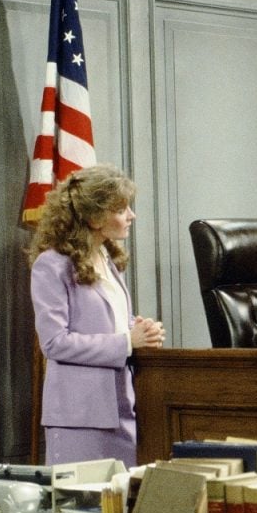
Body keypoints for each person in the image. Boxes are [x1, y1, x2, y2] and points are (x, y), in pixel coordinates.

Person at [29, 163, 166, 467]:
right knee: (83, 509)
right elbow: (54, 342)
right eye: (121, 209)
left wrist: (139, 329)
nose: (132, 216)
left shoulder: (107, 258)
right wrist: (126, 341)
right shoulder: (51, 265)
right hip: (81, 416)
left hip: (123, 406)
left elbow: (109, 321)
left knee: (123, 507)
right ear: (94, 217)